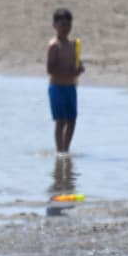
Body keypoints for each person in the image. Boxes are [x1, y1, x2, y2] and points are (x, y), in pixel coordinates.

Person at [46, 8, 84, 155]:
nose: (65, 28)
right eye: (62, 25)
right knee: (60, 121)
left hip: (70, 88)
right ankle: (59, 151)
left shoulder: (73, 45)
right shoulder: (54, 45)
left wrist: (79, 69)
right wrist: (67, 73)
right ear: (54, 25)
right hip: (57, 88)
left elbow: (77, 63)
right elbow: (50, 69)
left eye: (68, 25)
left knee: (72, 121)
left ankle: (66, 149)